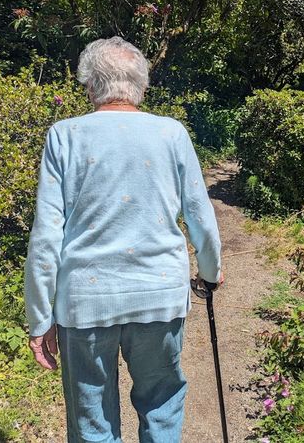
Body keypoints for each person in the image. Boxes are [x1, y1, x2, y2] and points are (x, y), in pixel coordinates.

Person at [24, 36, 222, 443]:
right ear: (142, 86)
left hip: (85, 301)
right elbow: (200, 216)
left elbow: (46, 235)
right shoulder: (171, 133)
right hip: (158, 294)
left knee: (92, 421)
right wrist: (210, 271)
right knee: (161, 403)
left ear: (90, 86)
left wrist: (40, 317)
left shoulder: (64, 135)